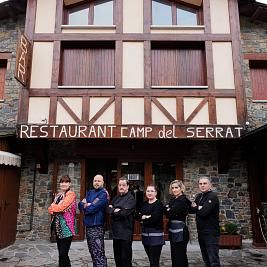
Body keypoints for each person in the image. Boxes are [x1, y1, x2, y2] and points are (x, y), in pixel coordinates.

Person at [78, 174, 109, 267]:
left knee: (98, 253)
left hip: (97, 227)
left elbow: (91, 209)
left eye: (99, 181)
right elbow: (80, 204)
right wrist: (87, 205)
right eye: (95, 180)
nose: (96, 182)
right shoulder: (90, 192)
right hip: (89, 227)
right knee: (92, 253)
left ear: (103, 182)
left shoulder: (103, 194)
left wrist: (87, 206)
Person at [191, 176, 221, 267]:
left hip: (211, 233)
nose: (202, 185)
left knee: (213, 261)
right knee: (206, 259)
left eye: (205, 183)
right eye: (200, 184)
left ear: (210, 185)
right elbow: (191, 210)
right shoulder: (199, 196)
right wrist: (198, 208)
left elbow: (204, 212)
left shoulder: (212, 196)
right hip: (201, 232)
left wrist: (197, 207)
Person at [107, 177, 136, 267]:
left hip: (126, 233)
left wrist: (115, 210)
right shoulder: (116, 198)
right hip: (116, 233)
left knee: (125, 259)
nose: (121, 187)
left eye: (123, 185)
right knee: (117, 258)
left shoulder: (131, 199)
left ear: (127, 186)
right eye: (120, 185)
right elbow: (108, 209)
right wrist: (116, 210)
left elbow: (124, 213)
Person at [48, 175, 76, 267]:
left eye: (66, 182)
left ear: (70, 184)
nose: (64, 184)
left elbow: (62, 208)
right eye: (62, 182)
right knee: (61, 255)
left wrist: (55, 207)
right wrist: (55, 208)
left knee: (63, 254)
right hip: (58, 229)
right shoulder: (59, 196)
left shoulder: (71, 194)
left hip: (66, 229)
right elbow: (50, 209)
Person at [136, 184, 165, 267]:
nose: (149, 193)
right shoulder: (144, 204)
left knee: (154, 261)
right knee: (150, 259)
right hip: (145, 236)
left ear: (156, 193)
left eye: (152, 191)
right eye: (148, 191)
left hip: (156, 236)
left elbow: (155, 219)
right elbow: (136, 215)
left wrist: (143, 218)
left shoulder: (159, 204)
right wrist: (145, 217)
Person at [165, 180, 191, 267]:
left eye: (176, 187)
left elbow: (170, 214)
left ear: (181, 188)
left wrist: (169, 209)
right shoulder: (173, 199)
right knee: (174, 256)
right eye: (172, 188)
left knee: (180, 257)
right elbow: (167, 211)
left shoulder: (183, 200)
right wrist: (168, 209)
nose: (174, 190)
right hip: (173, 231)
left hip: (181, 232)